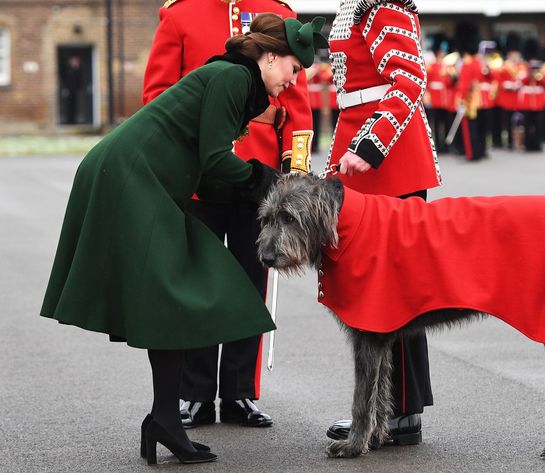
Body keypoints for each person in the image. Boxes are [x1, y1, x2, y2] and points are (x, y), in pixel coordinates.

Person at [40, 14, 327, 464]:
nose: (293, 82)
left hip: (146, 177)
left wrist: (255, 189)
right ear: (270, 58)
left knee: (172, 297)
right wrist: (268, 181)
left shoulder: (237, 81)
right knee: (171, 291)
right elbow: (215, 160)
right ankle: (166, 419)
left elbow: (207, 168)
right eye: (293, 69)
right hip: (133, 176)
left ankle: (164, 419)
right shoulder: (234, 76)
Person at [142, 0, 313, 429]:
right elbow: (159, 95)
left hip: (260, 174)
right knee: (197, 283)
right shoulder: (180, 14)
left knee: (250, 282)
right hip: (200, 172)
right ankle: (196, 392)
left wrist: (294, 171)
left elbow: (298, 103)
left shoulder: (279, 14)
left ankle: (238, 392)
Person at [324, 0, 441, 446]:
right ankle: (379, 407)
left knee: (397, 292)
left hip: (387, 165)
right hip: (362, 158)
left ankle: (400, 411)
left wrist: (371, 146)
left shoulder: (381, 7)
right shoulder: (357, 8)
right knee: (374, 293)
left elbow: (408, 79)